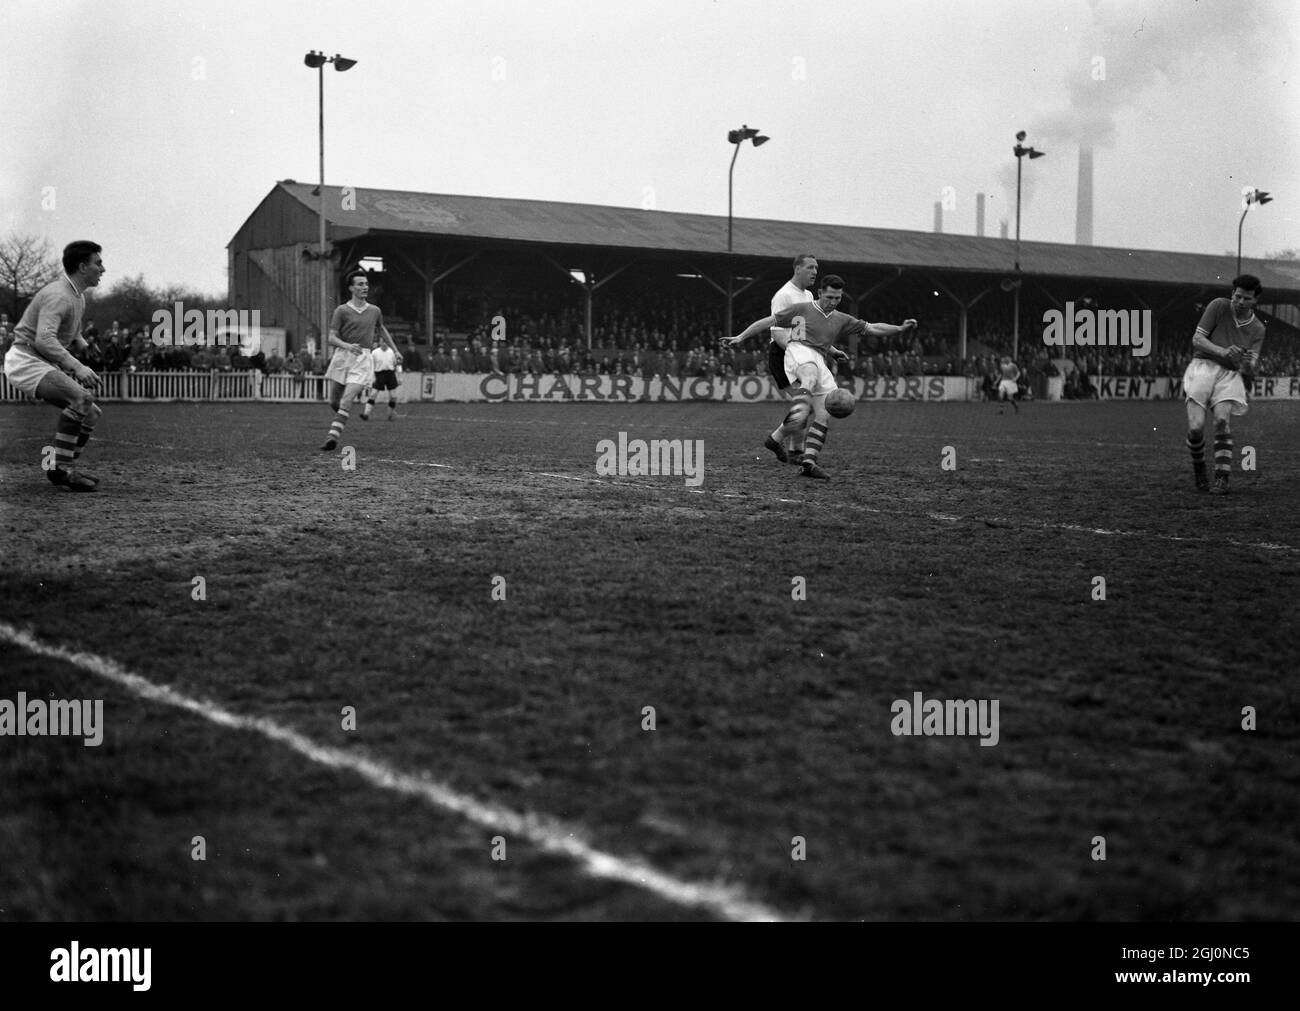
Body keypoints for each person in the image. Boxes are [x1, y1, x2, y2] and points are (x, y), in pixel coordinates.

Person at [726, 275, 917, 479]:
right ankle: (798, 414)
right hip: (798, 349)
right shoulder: (802, 308)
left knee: (824, 413)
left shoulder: (841, 318)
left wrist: (900, 328)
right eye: (829, 297)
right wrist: (741, 337)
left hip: (820, 359)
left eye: (838, 298)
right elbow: (769, 321)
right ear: (819, 293)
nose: (833, 302)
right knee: (808, 375)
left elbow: (872, 328)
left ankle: (808, 463)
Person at [1, 241, 105, 491]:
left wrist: (81, 343)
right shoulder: (60, 295)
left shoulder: (76, 296)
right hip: (26, 360)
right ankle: (63, 470)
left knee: (91, 413)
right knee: (82, 398)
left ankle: (61, 466)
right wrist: (77, 366)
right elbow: (44, 339)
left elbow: (71, 328)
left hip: (38, 360)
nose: (103, 269)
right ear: (82, 267)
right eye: (98, 263)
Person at [1182, 274, 1266, 494]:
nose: (1240, 302)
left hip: (1230, 374)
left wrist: (1246, 363)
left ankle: (1222, 477)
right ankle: (1199, 467)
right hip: (1202, 366)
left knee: (1221, 420)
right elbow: (1197, 339)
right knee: (1196, 428)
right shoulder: (1218, 306)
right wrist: (1224, 351)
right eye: (1237, 296)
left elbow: (1250, 366)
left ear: (1255, 300)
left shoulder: (1258, 329)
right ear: (1232, 294)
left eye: (1246, 299)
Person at [320, 270, 399, 451]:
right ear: (351, 288)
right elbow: (331, 338)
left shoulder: (374, 311)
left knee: (346, 400)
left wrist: (395, 351)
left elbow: (382, 330)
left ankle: (332, 438)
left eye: (366, 284)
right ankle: (342, 414)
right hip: (343, 356)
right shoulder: (341, 311)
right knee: (335, 402)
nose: (365, 287)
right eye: (360, 284)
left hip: (363, 359)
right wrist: (347, 346)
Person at [766, 254, 819, 462]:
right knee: (806, 405)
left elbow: (806, 330)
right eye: (810, 267)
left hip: (799, 355)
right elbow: (778, 333)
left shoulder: (807, 296)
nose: (814, 271)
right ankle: (782, 442)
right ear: (797, 269)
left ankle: (792, 449)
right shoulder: (784, 295)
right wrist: (797, 354)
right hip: (783, 356)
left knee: (805, 404)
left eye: (816, 268)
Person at [361, 341, 402, 420]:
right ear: (380, 342)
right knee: (373, 394)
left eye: (386, 342)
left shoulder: (392, 352)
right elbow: (371, 366)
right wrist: (372, 377)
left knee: (393, 396)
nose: (384, 344)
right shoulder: (375, 352)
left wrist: (399, 377)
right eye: (383, 342)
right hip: (379, 374)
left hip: (390, 374)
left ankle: (390, 415)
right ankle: (365, 414)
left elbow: (398, 364)